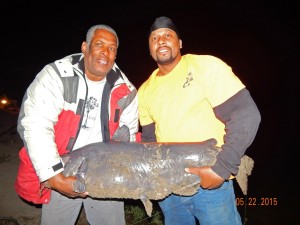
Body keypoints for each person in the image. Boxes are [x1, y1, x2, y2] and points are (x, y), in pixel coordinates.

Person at [138, 16, 261, 225]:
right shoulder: (144, 91)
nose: (161, 40)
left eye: (168, 35)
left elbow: (246, 115)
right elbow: (149, 143)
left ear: (180, 43)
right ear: (150, 49)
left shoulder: (205, 66)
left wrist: (221, 169)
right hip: (170, 189)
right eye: (155, 38)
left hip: (210, 184)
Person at [14, 24, 139, 225]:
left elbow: (129, 138)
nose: (105, 52)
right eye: (99, 44)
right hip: (63, 168)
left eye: (112, 48)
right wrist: (54, 176)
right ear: (84, 47)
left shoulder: (127, 91)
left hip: (106, 173)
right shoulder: (56, 76)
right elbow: (36, 124)